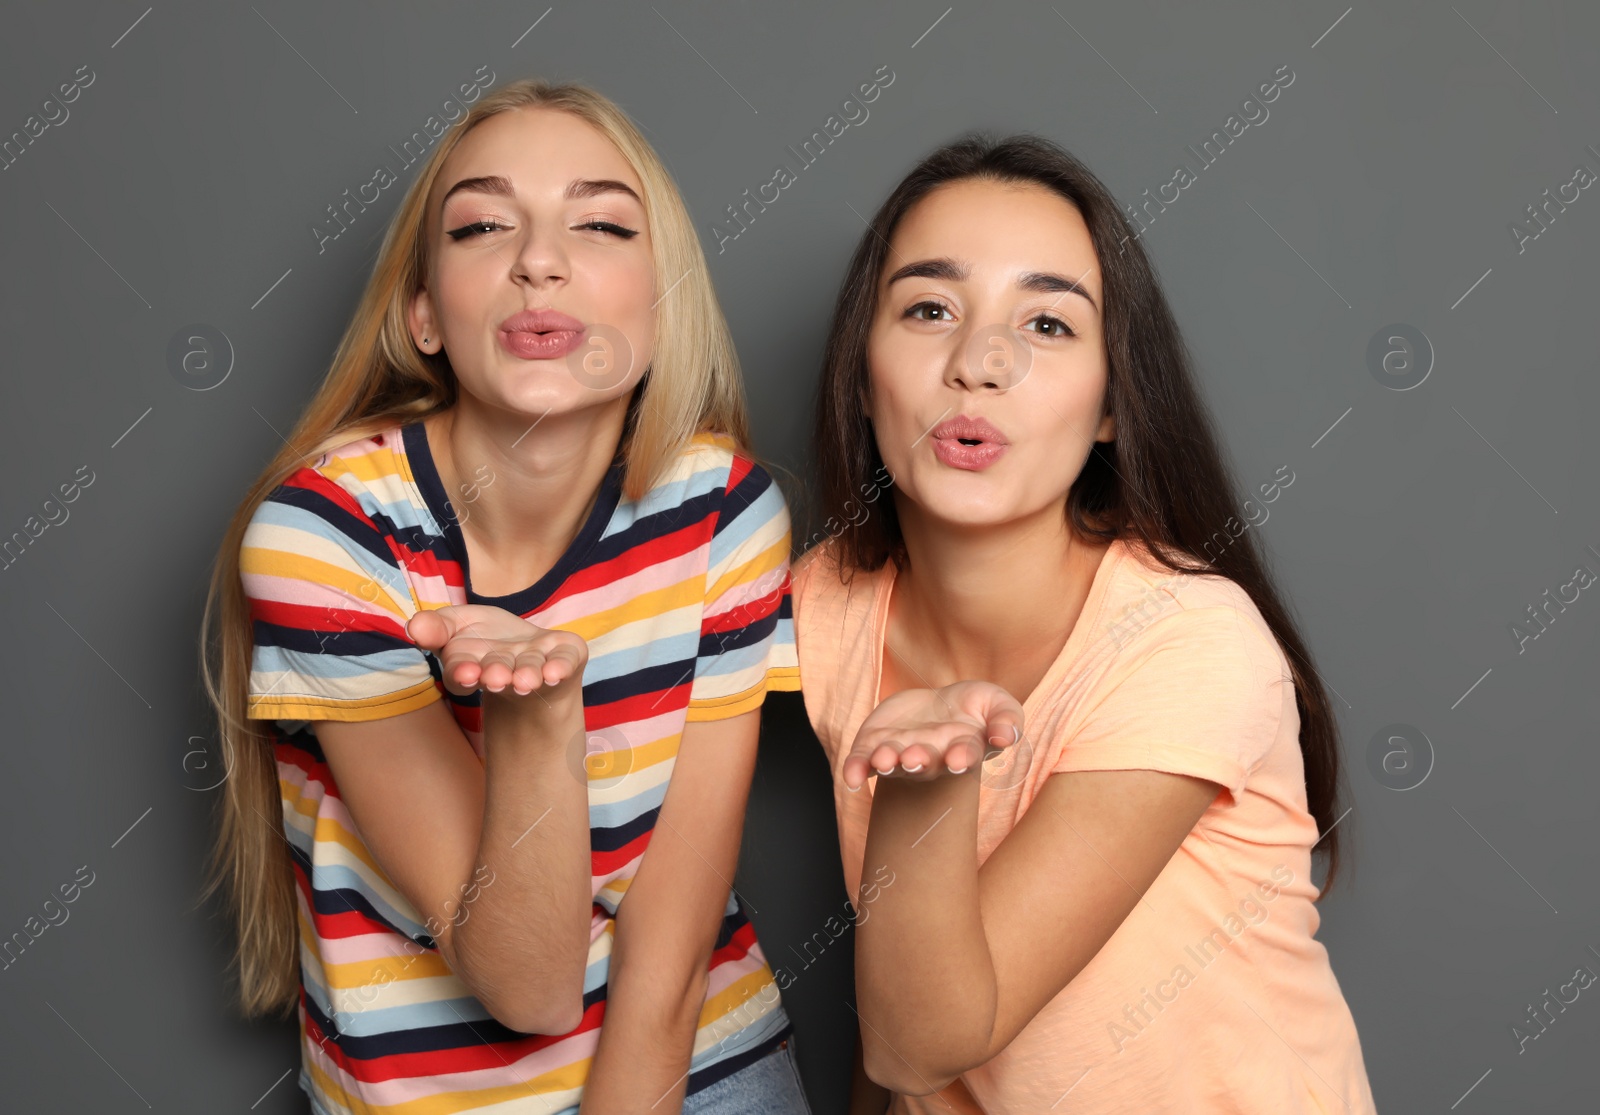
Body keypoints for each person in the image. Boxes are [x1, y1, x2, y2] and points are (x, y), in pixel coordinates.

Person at [200, 77, 812, 1114]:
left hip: (698, 1068)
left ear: (659, 310)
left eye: (601, 223)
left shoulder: (721, 509)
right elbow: (528, 983)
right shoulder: (327, 537)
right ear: (424, 315)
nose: (539, 259)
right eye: (485, 224)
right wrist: (536, 722)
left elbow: (670, 932)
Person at [790, 133, 1379, 1113]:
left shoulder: (1189, 636)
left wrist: (920, 779)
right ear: (861, 378)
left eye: (1049, 324)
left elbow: (925, 1039)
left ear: (1111, 403)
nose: (978, 363)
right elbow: (899, 1025)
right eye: (930, 309)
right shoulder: (827, 606)